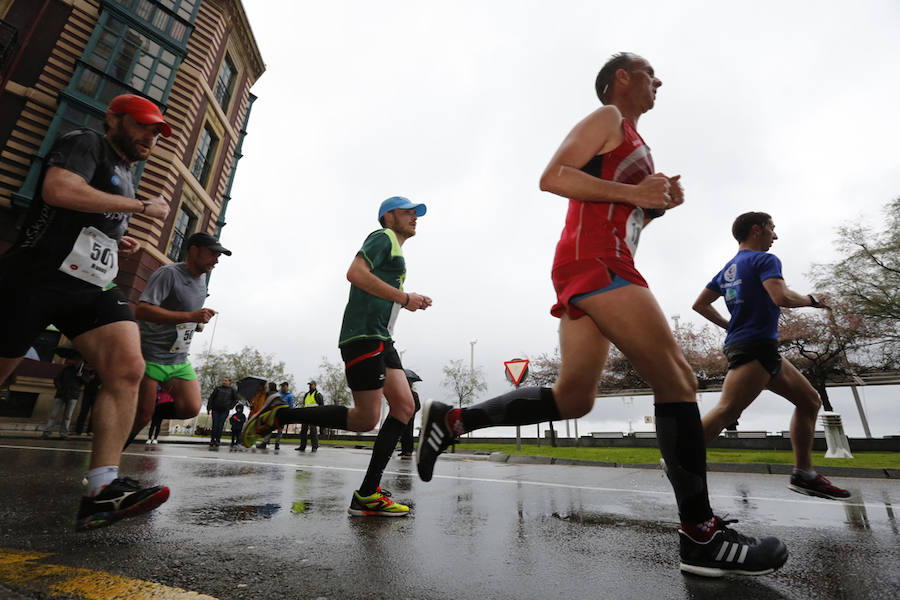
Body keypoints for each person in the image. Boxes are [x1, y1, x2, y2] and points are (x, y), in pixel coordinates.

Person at [415, 53, 788, 577]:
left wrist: (653, 208)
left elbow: (618, 213)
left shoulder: (635, 142)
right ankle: (700, 534)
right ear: (622, 79)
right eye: (650, 73)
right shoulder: (609, 118)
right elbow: (553, 177)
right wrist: (636, 193)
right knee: (677, 380)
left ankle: (454, 419)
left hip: (594, 263)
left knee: (574, 398)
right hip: (597, 262)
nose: (659, 81)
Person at [0, 93, 172, 530]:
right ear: (113, 119)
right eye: (142, 125)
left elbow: (88, 217)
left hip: (91, 285)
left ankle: (101, 491)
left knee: (128, 368)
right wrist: (140, 208)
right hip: (37, 276)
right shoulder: (85, 141)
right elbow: (59, 190)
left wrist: (115, 238)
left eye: (156, 132)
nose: (150, 137)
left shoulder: (127, 172)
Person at [242, 196, 432, 517]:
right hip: (363, 337)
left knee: (404, 406)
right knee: (366, 419)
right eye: (408, 212)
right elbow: (355, 273)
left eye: (417, 213)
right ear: (388, 216)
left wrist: (407, 300)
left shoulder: (395, 250)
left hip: (382, 338)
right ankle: (279, 415)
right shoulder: (382, 237)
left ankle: (368, 494)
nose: (415, 217)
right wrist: (404, 297)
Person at [692, 211, 850, 500]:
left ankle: (804, 474)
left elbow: (700, 304)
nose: (775, 236)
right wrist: (813, 300)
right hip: (754, 346)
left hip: (758, 345)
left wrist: (731, 325)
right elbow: (781, 297)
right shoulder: (764, 260)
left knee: (810, 400)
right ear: (757, 229)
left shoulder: (728, 269)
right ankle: (678, 458)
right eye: (772, 229)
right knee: (727, 410)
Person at [126, 232, 230, 446]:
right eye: (213, 254)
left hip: (178, 358)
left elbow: (184, 315)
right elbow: (142, 310)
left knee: (190, 408)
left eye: (219, 256)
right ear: (194, 250)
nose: (216, 260)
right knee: (142, 416)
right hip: (150, 356)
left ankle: (149, 411)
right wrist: (189, 316)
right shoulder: (168, 274)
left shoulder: (202, 281)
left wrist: (196, 323)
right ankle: (110, 459)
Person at [43, 357, 88, 439]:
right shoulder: (67, 369)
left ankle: (64, 433)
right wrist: (60, 388)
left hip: (73, 395)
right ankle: (47, 432)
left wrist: (81, 377)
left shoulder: (84, 371)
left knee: (68, 416)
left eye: (80, 361)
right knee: (54, 414)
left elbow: (86, 382)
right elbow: (57, 379)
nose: (78, 362)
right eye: (77, 360)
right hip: (61, 394)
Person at [207, 376, 238, 449]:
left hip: (224, 410)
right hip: (215, 409)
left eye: (226, 381)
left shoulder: (232, 390)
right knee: (215, 425)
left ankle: (218, 440)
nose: (224, 382)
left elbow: (235, 400)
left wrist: (230, 407)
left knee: (220, 425)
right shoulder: (217, 388)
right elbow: (211, 398)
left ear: (229, 382)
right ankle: (212, 440)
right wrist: (208, 408)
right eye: (223, 380)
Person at [255, 382, 287, 449]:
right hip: (279, 414)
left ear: (270, 388)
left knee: (270, 428)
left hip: (274, 414)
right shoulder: (277, 394)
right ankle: (274, 443)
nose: (266, 388)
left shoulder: (272, 395)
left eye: (267, 387)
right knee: (276, 429)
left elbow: (268, 405)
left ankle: (267, 443)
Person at [295, 380, 323, 453]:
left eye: (311, 385)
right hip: (306, 415)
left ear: (315, 385)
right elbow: (305, 404)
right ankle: (302, 446)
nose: (310, 386)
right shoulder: (306, 394)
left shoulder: (318, 394)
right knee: (303, 431)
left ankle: (314, 447)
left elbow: (322, 406)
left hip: (314, 415)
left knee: (313, 431)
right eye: (309, 385)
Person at [397, 376, 420, 458]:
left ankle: (409, 450)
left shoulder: (414, 394)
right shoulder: (402, 393)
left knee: (408, 433)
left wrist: (412, 412)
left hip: (410, 417)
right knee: (403, 433)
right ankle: (404, 450)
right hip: (403, 416)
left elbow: (418, 406)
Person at [74, 370, 100, 436]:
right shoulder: (88, 372)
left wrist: (99, 388)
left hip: (96, 395)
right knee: (83, 411)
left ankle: (90, 430)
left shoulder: (102, 373)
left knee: (93, 414)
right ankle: (78, 430)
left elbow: (103, 383)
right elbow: (85, 381)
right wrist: (84, 378)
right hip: (87, 394)